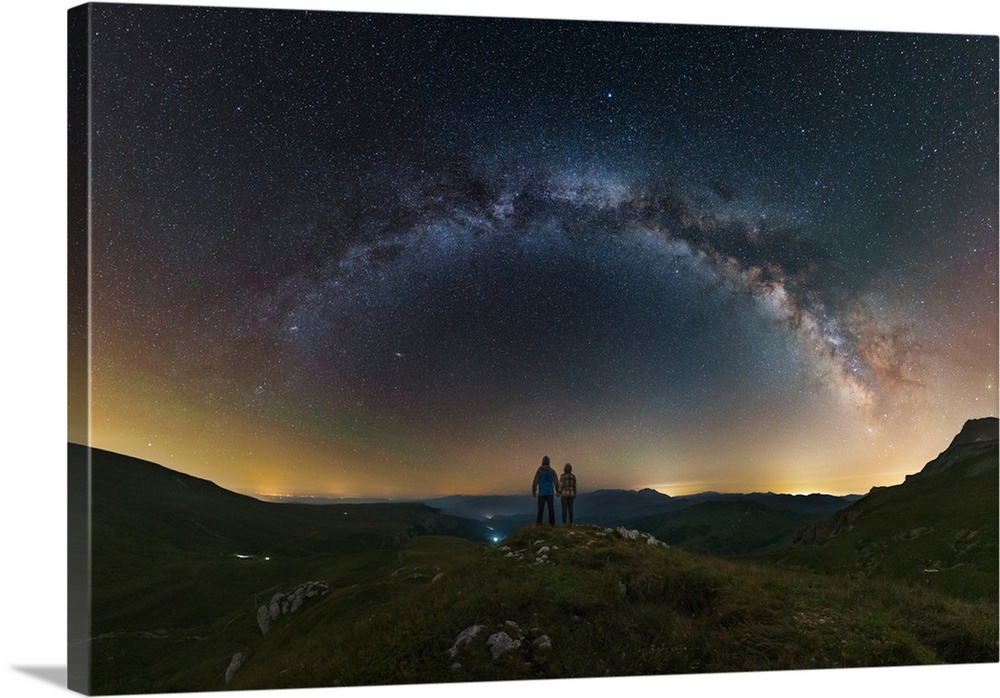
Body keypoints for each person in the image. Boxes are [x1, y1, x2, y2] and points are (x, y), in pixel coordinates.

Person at [531, 455, 560, 526]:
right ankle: (552, 525)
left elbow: (535, 482)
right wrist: (558, 491)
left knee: (540, 510)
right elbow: (556, 482)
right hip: (550, 493)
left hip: (542, 494)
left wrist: (534, 491)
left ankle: (539, 525)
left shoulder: (539, 471)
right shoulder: (552, 471)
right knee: (551, 509)